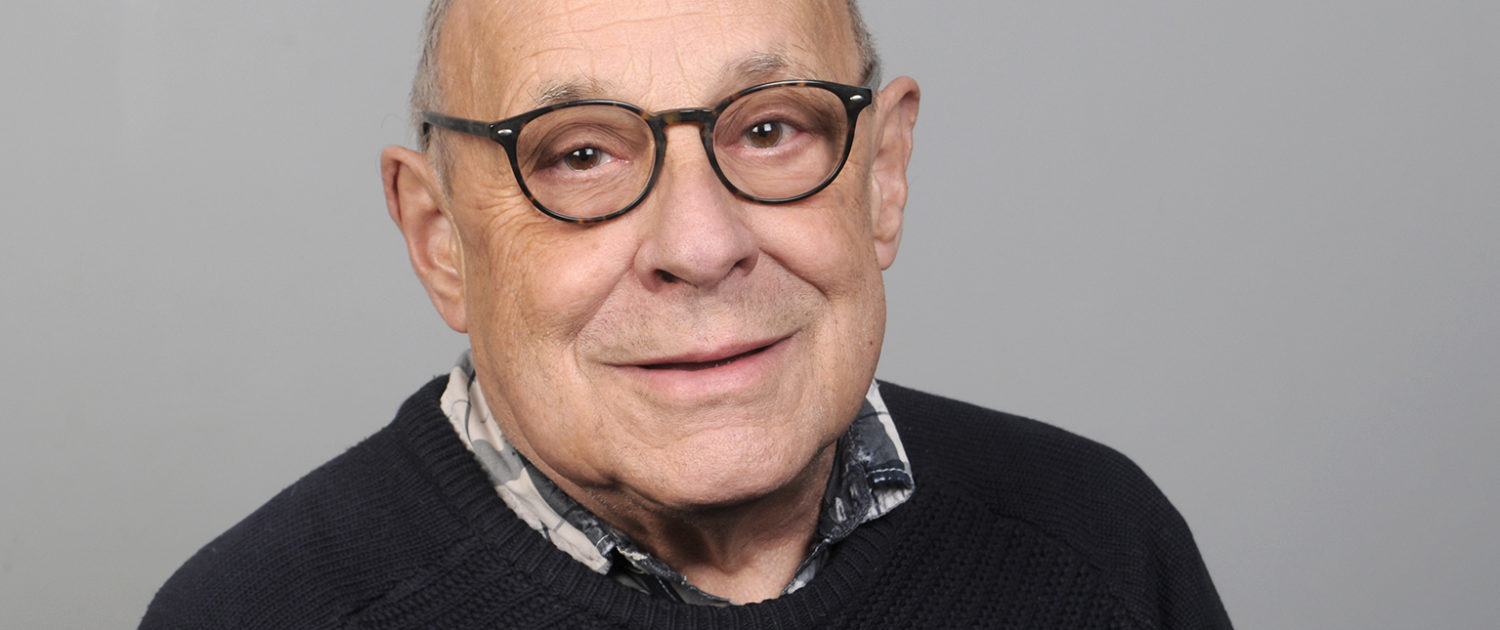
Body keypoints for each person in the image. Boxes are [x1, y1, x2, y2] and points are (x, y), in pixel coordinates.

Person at [141, 0, 1232, 627]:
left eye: (768, 130)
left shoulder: (1100, 549)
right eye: (579, 154)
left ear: (882, 176)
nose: (702, 247)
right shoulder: (256, 616)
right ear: (441, 239)